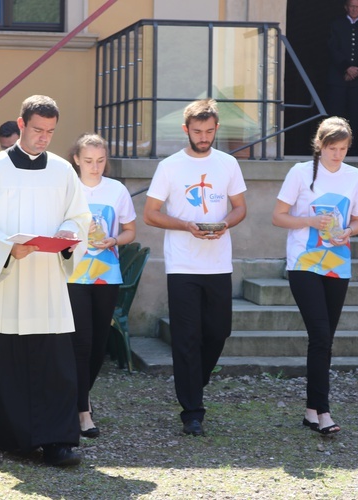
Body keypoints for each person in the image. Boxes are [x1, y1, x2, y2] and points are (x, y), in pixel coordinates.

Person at [0, 95, 91, 466]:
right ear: (21, 125)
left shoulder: (64, 171)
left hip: (46, 285)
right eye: (37, 130)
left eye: (50, 132)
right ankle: (10, 436)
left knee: (53, 366)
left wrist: (67, 235)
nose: (43, 138)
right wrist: (5, 248)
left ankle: (58, 440)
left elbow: (80, 217)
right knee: (6, 365)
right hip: (5, 283)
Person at [143, 99, 247, 437]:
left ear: (216, 130)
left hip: (218, 262)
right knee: (187, 338)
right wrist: (186, 226)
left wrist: (225, 225)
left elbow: (239, 207)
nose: (204, 137)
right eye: (198, 131)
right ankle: (192, 412)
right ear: (186, 130)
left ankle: (193, 381)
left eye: (210, 131)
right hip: (183, 264)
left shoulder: (228, 163)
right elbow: (151, 213)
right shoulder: (170, 167)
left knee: (219, 332)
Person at [271, 116, 358, 436]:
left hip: (338, 263)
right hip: (303, 262)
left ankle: (311, 410)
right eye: (331, 148)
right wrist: (310, 223)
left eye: (343, 149)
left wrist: (347, 232)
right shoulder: (300, 172)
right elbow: (278, 217)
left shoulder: (354, 175)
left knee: (323, 341)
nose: (337, 155)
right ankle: (324, 412)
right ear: (320, 145)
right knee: (321, 334)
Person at [67, 133, 137, 439]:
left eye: (100, 161)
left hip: (107, 275)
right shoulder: (67, 189)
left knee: (98, 344)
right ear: (76, 160)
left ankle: (80, 396)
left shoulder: (117, 190)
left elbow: (130, 231)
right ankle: (83, 411)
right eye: (88, 161)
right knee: (80, 342)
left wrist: (114, 239)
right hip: (74, 275)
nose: (95, 167)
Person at [326, 0, 358, 156]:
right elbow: (333, 48)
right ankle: (332, 147)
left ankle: (354, 149)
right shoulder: (336, 24)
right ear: (346, 8)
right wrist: (346, 68)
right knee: (336, 114)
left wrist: (356, 70)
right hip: (338, 77)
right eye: (352, 6)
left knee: (356, 114)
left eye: (357, 7)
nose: (354, 9)